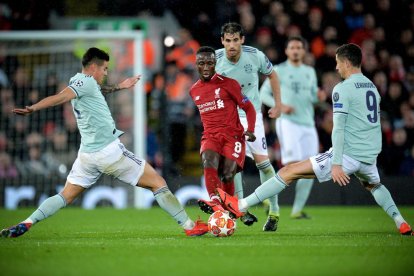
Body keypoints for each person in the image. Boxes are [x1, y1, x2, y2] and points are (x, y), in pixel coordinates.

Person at [1, 47, 208, 238]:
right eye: (105, 69)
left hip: (87, 156)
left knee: (65, 196)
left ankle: (28, 222)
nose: (106, 73)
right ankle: (189, 226)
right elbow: (60, 97)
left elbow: (97, 90)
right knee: (158, 183)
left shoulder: (81, 81)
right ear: (93, 67)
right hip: (109, 152)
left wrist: (120, 86)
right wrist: (33, 108)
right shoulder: (83, 82)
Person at [216, 43, 413, 236]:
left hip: (346, 155)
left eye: (337, 63)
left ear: (346, 63)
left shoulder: (342, 89)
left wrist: (337, 163)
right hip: (368, 155)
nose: (336, 67)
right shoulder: (372, 87)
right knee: (374, 185)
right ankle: (400, 221)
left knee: (288, 171)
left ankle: (240, 205)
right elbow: (373, 125)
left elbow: (339, 128)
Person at [215, 22, 282, 227]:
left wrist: (278, 104)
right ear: (222, 41)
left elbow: (272, 75)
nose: (232, 45)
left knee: (263, 163)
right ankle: (240, 209)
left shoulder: (255, 56)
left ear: (242, 40)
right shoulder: (215, 59)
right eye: (228, 40)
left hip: (251, 116)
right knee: (233, 163)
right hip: (228, 118)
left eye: (236, 40)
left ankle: (274, 211)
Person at [259, 36, 326, 231]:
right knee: (292, 164)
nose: (296, 50)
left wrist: (319, 97)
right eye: (292, 47)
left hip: (308, 123)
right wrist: (279, 105)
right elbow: (264, 94)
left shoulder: (310, 71)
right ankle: (267, 197)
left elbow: (313, 96)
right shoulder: (278, 70)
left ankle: (297, 210)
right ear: (287, 51)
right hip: (287, 122)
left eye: (299, 47)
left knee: (311, 165)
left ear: (303, 51)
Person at [189, 46, 256, 215]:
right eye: (202, 63)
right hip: (210, 136)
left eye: (210, 63)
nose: (206, 67)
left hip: (233, 136)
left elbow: (249, 108)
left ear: (215, 63)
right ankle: (215, 201)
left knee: (227, 175)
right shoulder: (193, 90)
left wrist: (251, 129)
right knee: (208, 159)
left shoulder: (229, 84)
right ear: (196, 64)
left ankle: (230, 208)